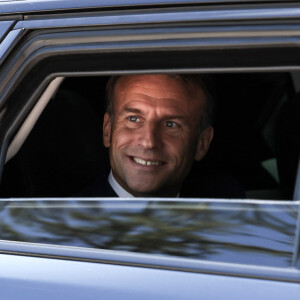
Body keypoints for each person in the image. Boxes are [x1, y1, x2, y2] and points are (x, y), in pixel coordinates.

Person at [80, 74, 218, 198]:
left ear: (202, 143)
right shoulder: (66, 220)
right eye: (133, 119)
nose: (149, 142)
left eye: (170, 124)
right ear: (108, 130)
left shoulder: (230, 209)